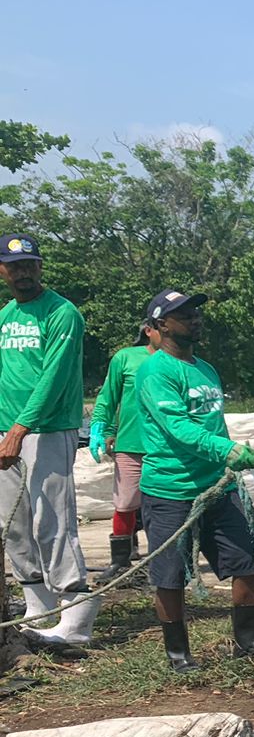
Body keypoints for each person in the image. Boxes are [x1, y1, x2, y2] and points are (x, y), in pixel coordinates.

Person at [135, 290, 254, 672]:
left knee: (248, 563)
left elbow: (212, 424)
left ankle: (249, 645)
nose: (195, 319)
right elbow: (176, 428)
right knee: (170, 577)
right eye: (184, 314)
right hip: (170, 490)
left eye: (195, 312)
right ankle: (178, 655)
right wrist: (224, 449)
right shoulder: (155, 371)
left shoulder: (206, 369)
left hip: (218, 489)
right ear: (160, 325)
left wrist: (226, 460)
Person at [0, 233, 100, 646]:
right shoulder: (5, 315)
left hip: (46, 428)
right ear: (2, 271)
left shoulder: (62, 313)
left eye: (29, 265)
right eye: (13, 266)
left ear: (40, 267)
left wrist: (19, 430)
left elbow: (54, 378)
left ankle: (76, 614)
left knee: (51, 519)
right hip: (7, 431)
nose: (22, 273)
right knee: (13, 523)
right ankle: (38, 604)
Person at [89, 320, 162, 579]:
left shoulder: (180, 360)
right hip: (131, 444)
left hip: (166, 447)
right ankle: (121, 561)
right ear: (148, 330)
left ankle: (164, 560)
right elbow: (109, 397)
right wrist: (103, 427)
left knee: (166, 505)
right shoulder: (126, 358)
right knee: (125, 504)